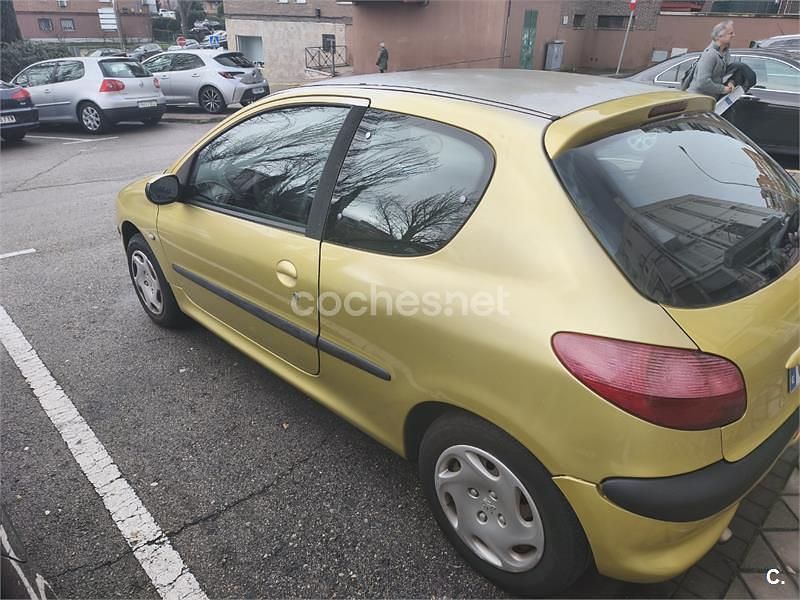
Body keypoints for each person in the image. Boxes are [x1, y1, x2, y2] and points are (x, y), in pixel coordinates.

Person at [687, 20, 736, 98]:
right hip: (697, 100)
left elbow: (727, 73)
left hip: (709, 100)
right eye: (730, 33)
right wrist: (723, 89)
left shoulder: (726, 53)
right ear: (719, 36)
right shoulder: (710, 54)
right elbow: (702, 82)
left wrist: (730, 82)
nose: (734, 35)